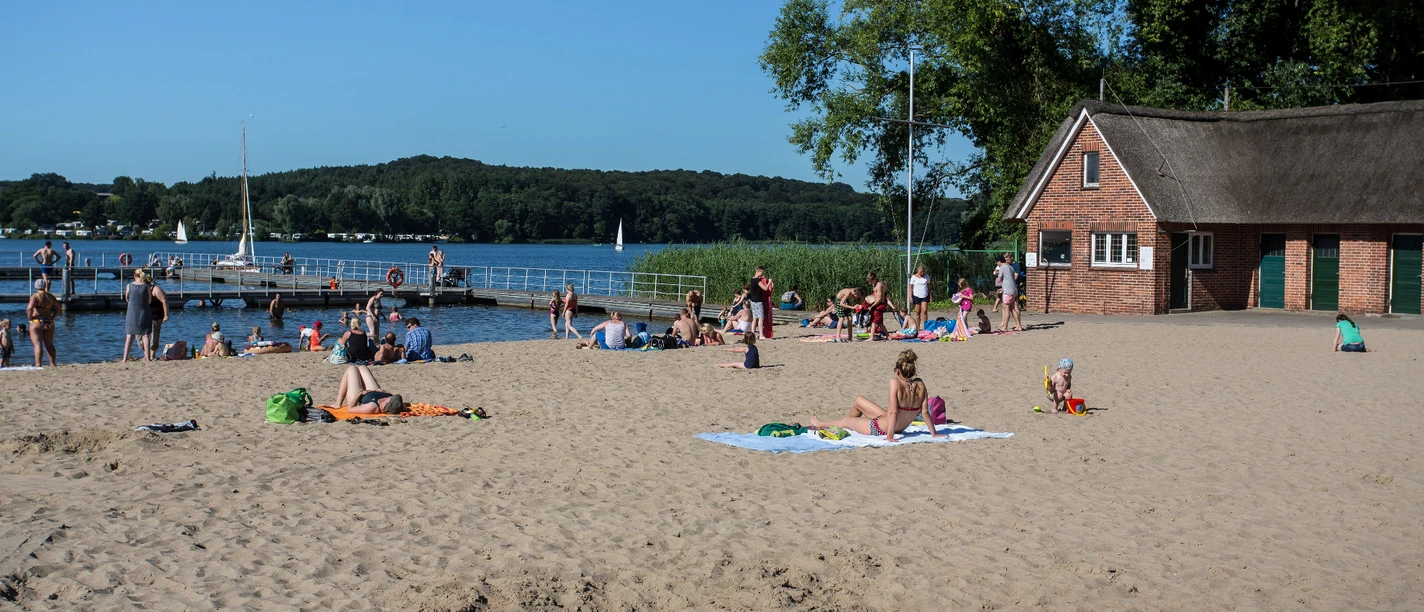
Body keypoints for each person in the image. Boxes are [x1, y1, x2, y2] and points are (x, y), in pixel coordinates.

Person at [808, 350, 944, 442]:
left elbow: (893, 412)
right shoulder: (920, 384)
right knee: (859, 400)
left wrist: (890, 436)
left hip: (881, 428)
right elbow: (925, 413)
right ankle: (850, 425)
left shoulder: (895, 383)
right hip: (898, 425)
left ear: (897, 371)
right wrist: (934, 434)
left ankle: (822, 424)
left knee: (846, 421)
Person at [334, 365, 406, 415]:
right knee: (363, 367)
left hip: (359, 397)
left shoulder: (372, 407)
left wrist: (360, 394)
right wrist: (385, 392)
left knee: (352, 369)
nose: (388, 398)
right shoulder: (397, 404)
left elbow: (350, 409)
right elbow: (403, 407)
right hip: (374, 392)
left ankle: (338, 403)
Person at [122, 269, 154, 362]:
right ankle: (148, 358)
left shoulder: (129, 285)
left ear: (135, 276)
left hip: (132, 312)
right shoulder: (147, 286)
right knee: (145, 335)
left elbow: (127, 298)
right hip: (144, 311)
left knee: (129, 336)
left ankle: (124, 359)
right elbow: (149, 300)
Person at [26, 280, 58, 367]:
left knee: (37, 344)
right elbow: (59, 308)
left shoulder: (35, 297)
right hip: (48, 322)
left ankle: (38, 364)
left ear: (36, 287)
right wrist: (53, 316)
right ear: (45, 286)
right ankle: (52, 363)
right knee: (49, 344)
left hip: (37, 322)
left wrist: (29, 319)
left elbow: (30, 308)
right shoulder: (50, 296)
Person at [865, 272, 897, 339]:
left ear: (874, 279)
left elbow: (879, 298)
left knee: (874, 321)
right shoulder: (874, 285)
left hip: (880, 304)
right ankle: (888, 336)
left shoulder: (879, 285)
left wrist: (872, 306)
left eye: (871, 281)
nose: (870, 283)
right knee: (880, 323)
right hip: (877, 304)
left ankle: (871, 337)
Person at [995, 256, 1023, 332]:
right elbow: (1010, 279)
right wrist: (1003, 288)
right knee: (1013, 308)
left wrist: (997, 274)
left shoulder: (1002, 268)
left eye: (997, 263)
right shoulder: (1010, 267)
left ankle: (1005, 327)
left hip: (1008, 291)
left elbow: (999, 279)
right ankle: (1018, 326)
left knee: (1006, 308)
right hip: (1013, 289)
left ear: (999, 262)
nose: (998, 264)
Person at [148, 275, 170, 353]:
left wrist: (166, 315)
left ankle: (152, 355)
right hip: (146, 316)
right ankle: (147, 354)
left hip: (156, 316)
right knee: (144, 336)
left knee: (154, 336)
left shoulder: (156, 289)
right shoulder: (144, 290)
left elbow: (165, 301)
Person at [746, 266, 768, 339]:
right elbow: (765, 288)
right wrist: (770, 282)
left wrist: (763, 278)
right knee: (761, 318)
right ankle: (761, 335)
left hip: (753, 301)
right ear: (758, 271)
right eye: (762, 272)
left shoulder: (752, 279)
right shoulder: (757, 281)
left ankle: (753, 334)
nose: (762, 274)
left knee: (755, 318)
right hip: (758, 301)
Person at [908, 265, 931, 333]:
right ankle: (917, 328)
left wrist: (930, 297)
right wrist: (910, 296)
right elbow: (911, 287)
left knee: (924, 311)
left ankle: (925, 327)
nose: (920, 273)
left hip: (924, 295)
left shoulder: (926, 276)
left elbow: (929, 287)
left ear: (924, 271)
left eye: (922, 272)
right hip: (916, 295)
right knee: (917, 312)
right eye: (919, 272)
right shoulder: (914, 277)